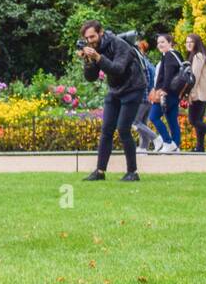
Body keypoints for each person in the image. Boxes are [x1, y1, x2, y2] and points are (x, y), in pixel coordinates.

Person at [78, 20, 147, 181]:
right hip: (115, 89)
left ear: (101, 32)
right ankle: (100, 172)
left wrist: (98, 57)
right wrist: (88, 61)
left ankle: (132, 172)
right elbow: (91, 78)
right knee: (106, 130)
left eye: (92, 36)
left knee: (123, 129)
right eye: (87, 38)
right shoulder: (95, 49)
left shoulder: (119, 44)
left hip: (133, 87)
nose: (90, 41)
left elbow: (118, 69)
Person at [147, 33, 182, 153]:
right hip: (175, 94)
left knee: (153, 116)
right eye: (158, 43)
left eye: (163, 42)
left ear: (170, 42)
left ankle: (167, 142)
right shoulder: (177, 55)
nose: (159, 45)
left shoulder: (168, 56)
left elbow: (168, 75)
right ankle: (175, 146)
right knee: (172, 121)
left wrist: (163, 91)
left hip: (166, 93)